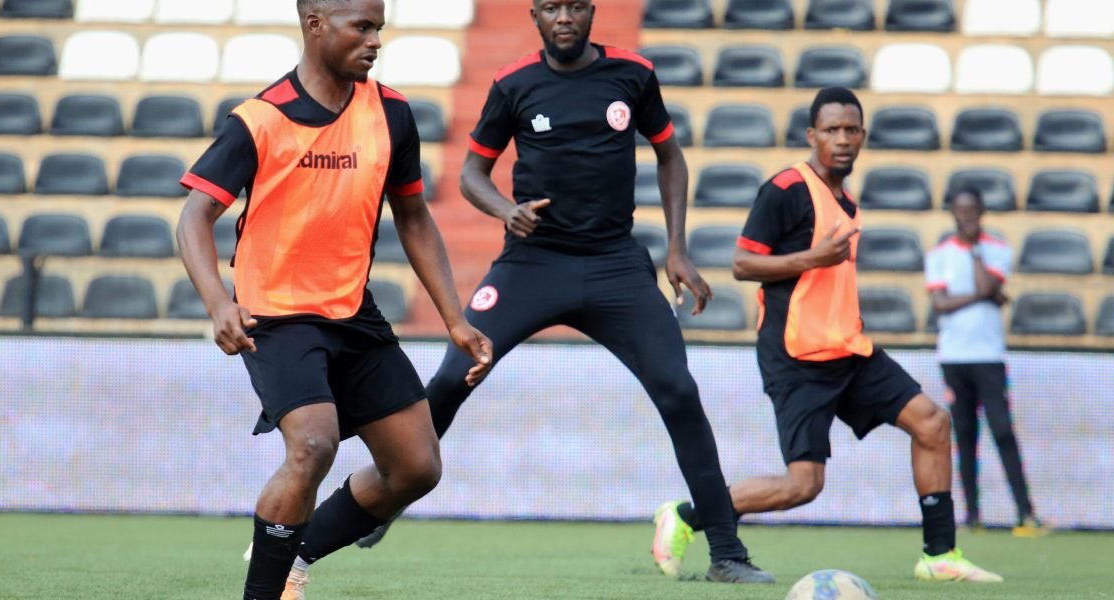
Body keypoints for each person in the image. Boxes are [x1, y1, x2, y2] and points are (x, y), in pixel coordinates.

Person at [313, 0, 775, 585]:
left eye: (575, 7)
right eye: (552, 7)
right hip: (531, 264)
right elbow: (471, 175)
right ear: (534, 16)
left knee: (680, 392)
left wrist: (678, 249)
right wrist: (507, 211)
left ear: (591, 13)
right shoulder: (513, 85)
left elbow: (670, 156)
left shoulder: (633, 74)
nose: (565, 17)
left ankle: (727, 555)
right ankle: (385, 497)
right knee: (455, 375)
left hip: (615, 267)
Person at [175, 0, 492, 598]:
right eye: (362, 27)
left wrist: (455, 318)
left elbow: (415, 217)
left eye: (379, 28)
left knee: (417, 467)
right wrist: (219, 302)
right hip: (275, 313)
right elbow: (195, 216)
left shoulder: (393, 112)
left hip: (353, 312)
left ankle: (295, 555)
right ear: (315, 24)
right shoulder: (260, 118)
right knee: (314, 445)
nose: (375, 41)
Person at [651, 87, 1004, 583]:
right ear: (811, 135)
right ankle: (686, 517)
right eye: (832, 130)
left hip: (848, 348)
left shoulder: (846, 202)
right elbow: (742, 263)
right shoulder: (787, 189)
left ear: (862, 136)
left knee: (932, 423)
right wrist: (812, 259)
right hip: (796, 355)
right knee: (803, 485)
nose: (843, 139)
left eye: (851, 129)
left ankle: (939, 555)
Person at [925, 188, 1047, 537]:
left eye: (972, 211)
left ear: (980, 212)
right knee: (964, 436)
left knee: (1003, 431)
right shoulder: (939, 254)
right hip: (954, 356)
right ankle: (972, 515)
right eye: (960, 210)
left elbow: (978, 285)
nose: (966, 217)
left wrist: (977, 256)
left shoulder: (996, 249)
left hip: (989, 355)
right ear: (952, 212)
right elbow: (940, 304)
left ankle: (1025, 513)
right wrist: (987, 296)